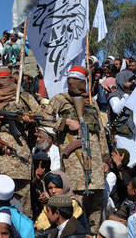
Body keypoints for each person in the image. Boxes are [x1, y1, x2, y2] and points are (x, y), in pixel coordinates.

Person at [41, 65, 107, 234]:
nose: (74, 84)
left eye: (78, 81)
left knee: (96, 212)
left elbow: (101, 134)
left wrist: (106, 159)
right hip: (74, 166)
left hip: (96, 168)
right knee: (74, 210)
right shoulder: (60, 100)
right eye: (71, 81)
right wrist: (65, 123)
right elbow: (43, 119)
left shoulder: (92, 104)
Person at [0, 67, 41, 217]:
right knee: (0, 212)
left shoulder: (24, 98)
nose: (2, 83)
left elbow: (40, 116)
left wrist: (30, 120)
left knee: (24, 210)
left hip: (21, 160)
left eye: (6, 79)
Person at [35, 171, 90, 237]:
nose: (53, 191)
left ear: (64, 186)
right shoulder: (50, 203)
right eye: (50, 188)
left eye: (57, 187)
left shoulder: (71, 203)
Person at [108, 70, 136, 166]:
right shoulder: (115, 95)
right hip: (123, 133)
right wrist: (126, 94)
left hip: (135, 131)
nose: (133, 82)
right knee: (126, 161)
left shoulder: (135, 95)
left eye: (134, 80)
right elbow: (117, 109)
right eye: (130, 80)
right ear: (122, 80)